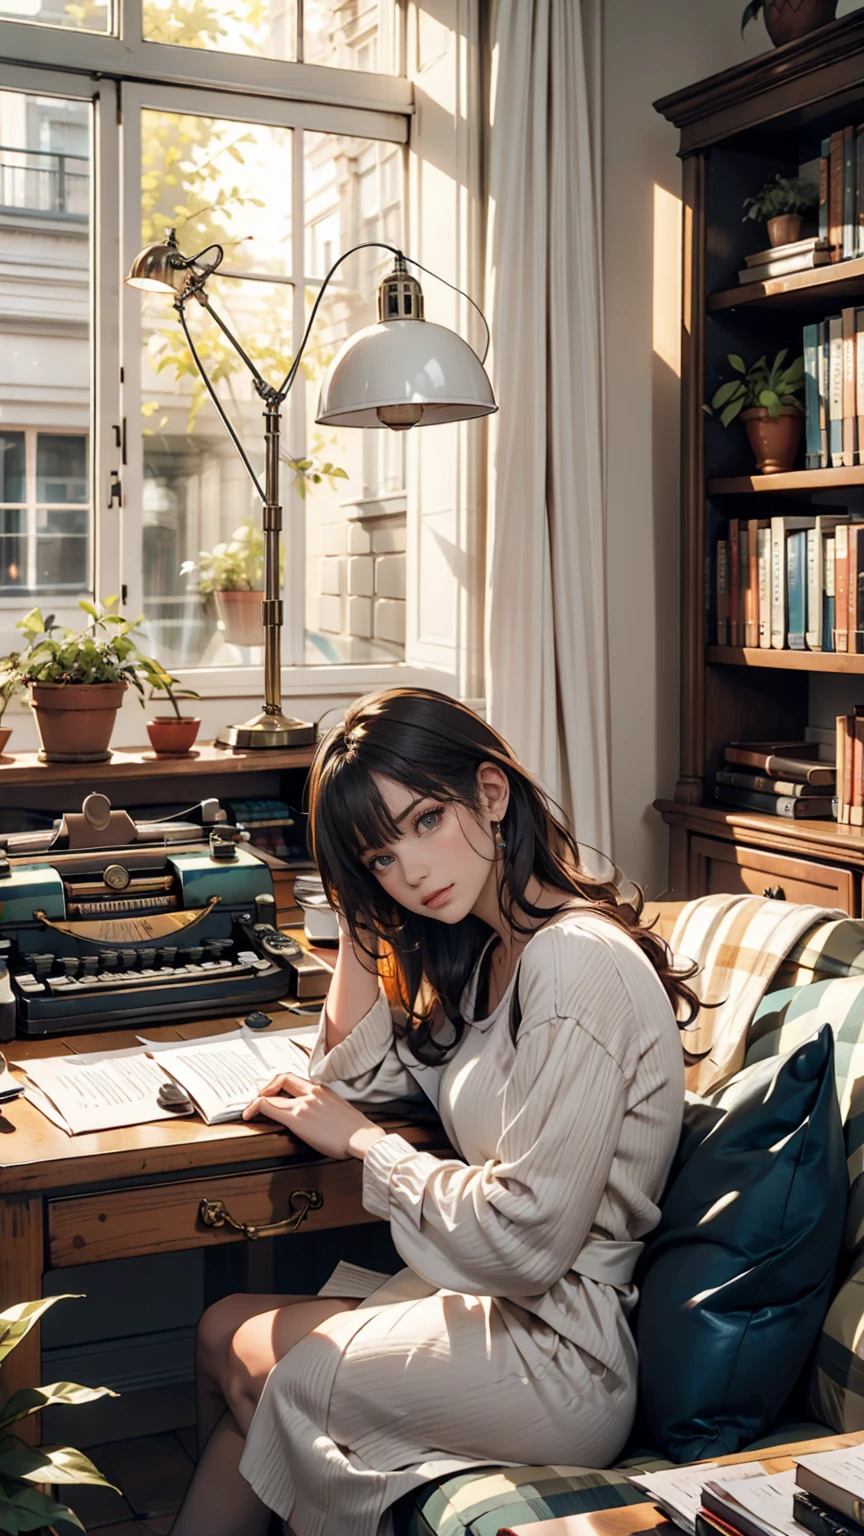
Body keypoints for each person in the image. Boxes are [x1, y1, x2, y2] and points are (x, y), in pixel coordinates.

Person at [170, 686, 695, 1536]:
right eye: (380, 858)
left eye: (422, 822)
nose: (410, 872)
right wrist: (356, 917)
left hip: (563, 1353)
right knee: (223, 1327)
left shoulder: (574, 962)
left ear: (491, 793)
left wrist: (370, 1147)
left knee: (293, 1376)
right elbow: (346, 1077)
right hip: (495, 1306)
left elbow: (525, 1242)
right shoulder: (492, 950)